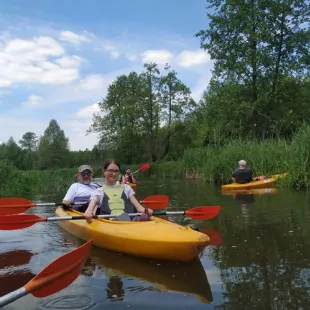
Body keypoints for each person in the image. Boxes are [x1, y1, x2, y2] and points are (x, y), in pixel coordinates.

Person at [84, 160, 153, 221]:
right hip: (110, 224)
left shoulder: (126, 188)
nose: (114, 173)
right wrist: (88, 214)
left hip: (128, 222)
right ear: (104, 172)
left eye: (116, 171)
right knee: (124, 218)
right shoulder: (98, 192)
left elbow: (138, 207)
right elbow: (90, 210)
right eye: (110, 171)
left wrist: (146, 210)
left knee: (145, 217)